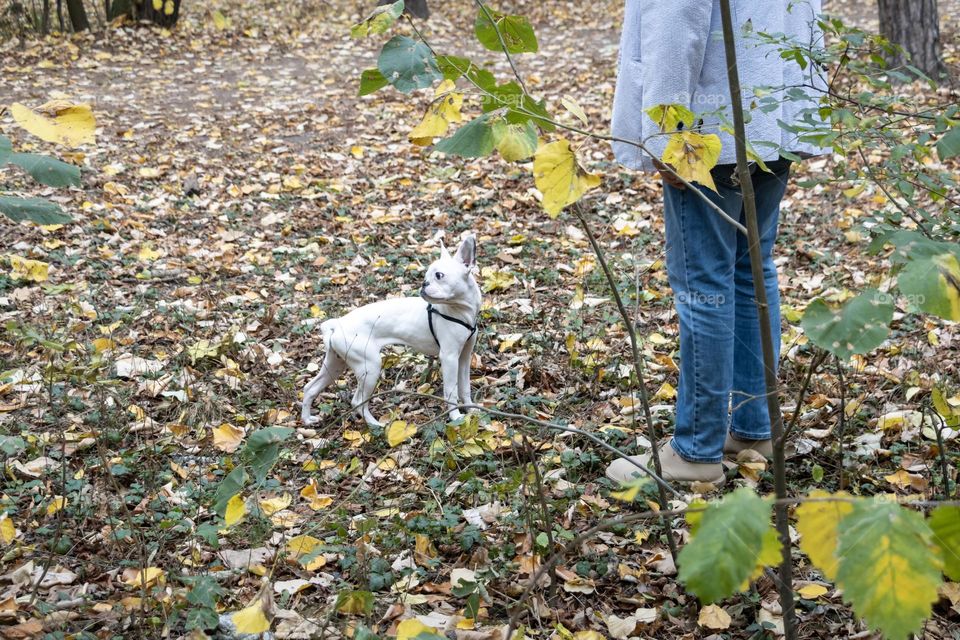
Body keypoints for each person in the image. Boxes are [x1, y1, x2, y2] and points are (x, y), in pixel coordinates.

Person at [605, 0, 826, 485]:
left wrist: (668, 136)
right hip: (772, 121)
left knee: (706, 286)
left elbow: (674, 26)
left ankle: (697, 453)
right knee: (752, 271)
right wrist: (802, 111)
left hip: (707, 134)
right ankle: (754, 431)